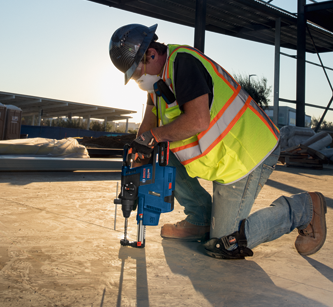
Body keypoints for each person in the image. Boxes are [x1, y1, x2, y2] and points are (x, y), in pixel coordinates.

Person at [109, 23, 327, 259]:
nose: (137, 80)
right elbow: (151, 118)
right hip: (226, 158)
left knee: (224, 243)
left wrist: (154, 137)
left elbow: (199, 120)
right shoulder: (158, 82)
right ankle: (200, 217)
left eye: (137, 73)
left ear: (151, 54)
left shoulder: (183, 63)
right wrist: (141, 149)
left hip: (248, 154)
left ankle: (304, 208)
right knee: (156, 151)